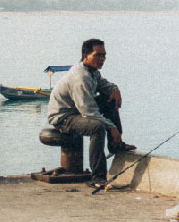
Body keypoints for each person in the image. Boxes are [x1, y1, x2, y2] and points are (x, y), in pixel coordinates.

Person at [47, 38, 136, 187]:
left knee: (109, 100)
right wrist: (111, 128)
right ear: (85, 55)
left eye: (104, 55)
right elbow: (88, 112)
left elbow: (103, 84)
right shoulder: (80, 77)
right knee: (97, 127)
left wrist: (115, 90)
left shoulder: (93, 72)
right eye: (97, 55)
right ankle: (98, 177)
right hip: (64, 117)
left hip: (78, 112)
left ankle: (116, 145)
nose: (102, 59)